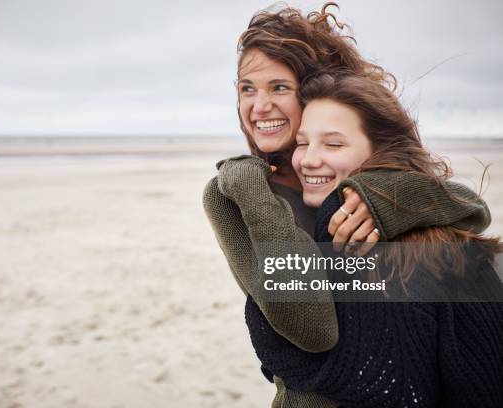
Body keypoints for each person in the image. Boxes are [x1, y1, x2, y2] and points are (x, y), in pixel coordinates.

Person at [203, 4, 495, 407]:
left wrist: (390, 200)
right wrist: (254, 195)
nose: (259, 105)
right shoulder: (232, 195)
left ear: (310, 91)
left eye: (279, 87)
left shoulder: (357, 171)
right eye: (246, 88)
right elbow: (312, 326)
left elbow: (470, 208)